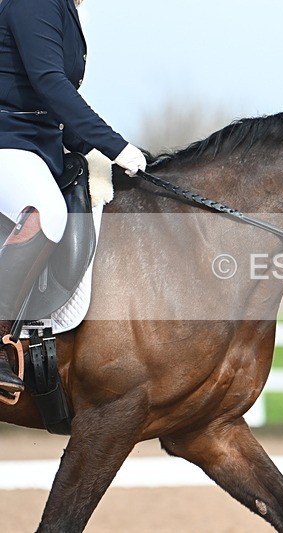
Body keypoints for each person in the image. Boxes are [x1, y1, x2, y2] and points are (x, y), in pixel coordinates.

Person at [0, 0, 146, 394]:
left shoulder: (65, 8)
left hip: (36, 141)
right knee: (45, 212)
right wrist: (113, 144)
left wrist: (97, 148)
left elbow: (46, 104)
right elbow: (50, 83)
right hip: (6, 139)